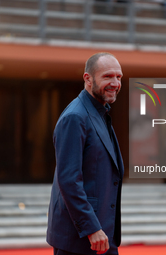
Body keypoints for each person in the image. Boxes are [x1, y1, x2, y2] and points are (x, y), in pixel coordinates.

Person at [46, 52, 124, 255]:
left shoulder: (100, 113)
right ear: (87, 79)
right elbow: (69, 180)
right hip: (81, 239)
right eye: (108, 76)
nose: (115, 83)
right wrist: (91, 228)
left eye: (119, 77)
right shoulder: (75, 117)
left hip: (102, 235)